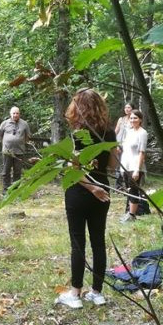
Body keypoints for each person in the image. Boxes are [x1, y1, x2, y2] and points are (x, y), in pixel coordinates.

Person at [55, 88, 117, 309]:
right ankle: (97, 292)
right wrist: (112, 150)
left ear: (77, 106)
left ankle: (75, 294)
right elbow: (113, 166)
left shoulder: (78, 134)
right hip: (102, 191)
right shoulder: (108, 133)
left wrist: (91, 188)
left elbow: (74, 169)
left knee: (78, 243)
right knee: (98, 241)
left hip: (79, 193)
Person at [120, 109, 148, 222]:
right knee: (128, 189)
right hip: (126, 164)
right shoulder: (129, 131)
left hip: (135, 165)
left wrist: (137, 169)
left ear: (140, 119)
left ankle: (132, 215)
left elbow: (142, 152)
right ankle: (129, 212)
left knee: (133, 190)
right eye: (131, 118)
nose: (133, 120)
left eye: (135, 118)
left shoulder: (142, 133)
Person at [0, 106, 32, 194]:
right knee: (6, 171)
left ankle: (15, 190)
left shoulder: (24, 124)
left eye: (17, 113)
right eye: (14, 113)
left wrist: (20, 142)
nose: (15, 115)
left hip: (19, 152)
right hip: (7, 152)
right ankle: (6, 189)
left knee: (17, 171)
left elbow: (28, 136)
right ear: (10, 114)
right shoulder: (4, 123)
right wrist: (6, 143)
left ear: (19, 114)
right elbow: (0, 135)